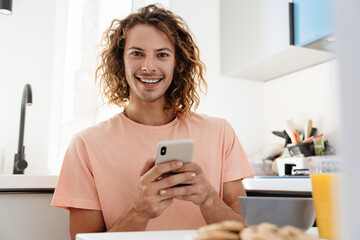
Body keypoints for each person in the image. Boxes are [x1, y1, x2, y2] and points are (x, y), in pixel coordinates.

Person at [51, 4, 254, 239]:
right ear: (121, 61)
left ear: (177, 63)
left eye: (162, 54)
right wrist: (140, 210)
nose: (149, 67)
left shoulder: (220, 133)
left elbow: (246, 233)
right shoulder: (85, 145)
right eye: (137, 53)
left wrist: (208, 198)